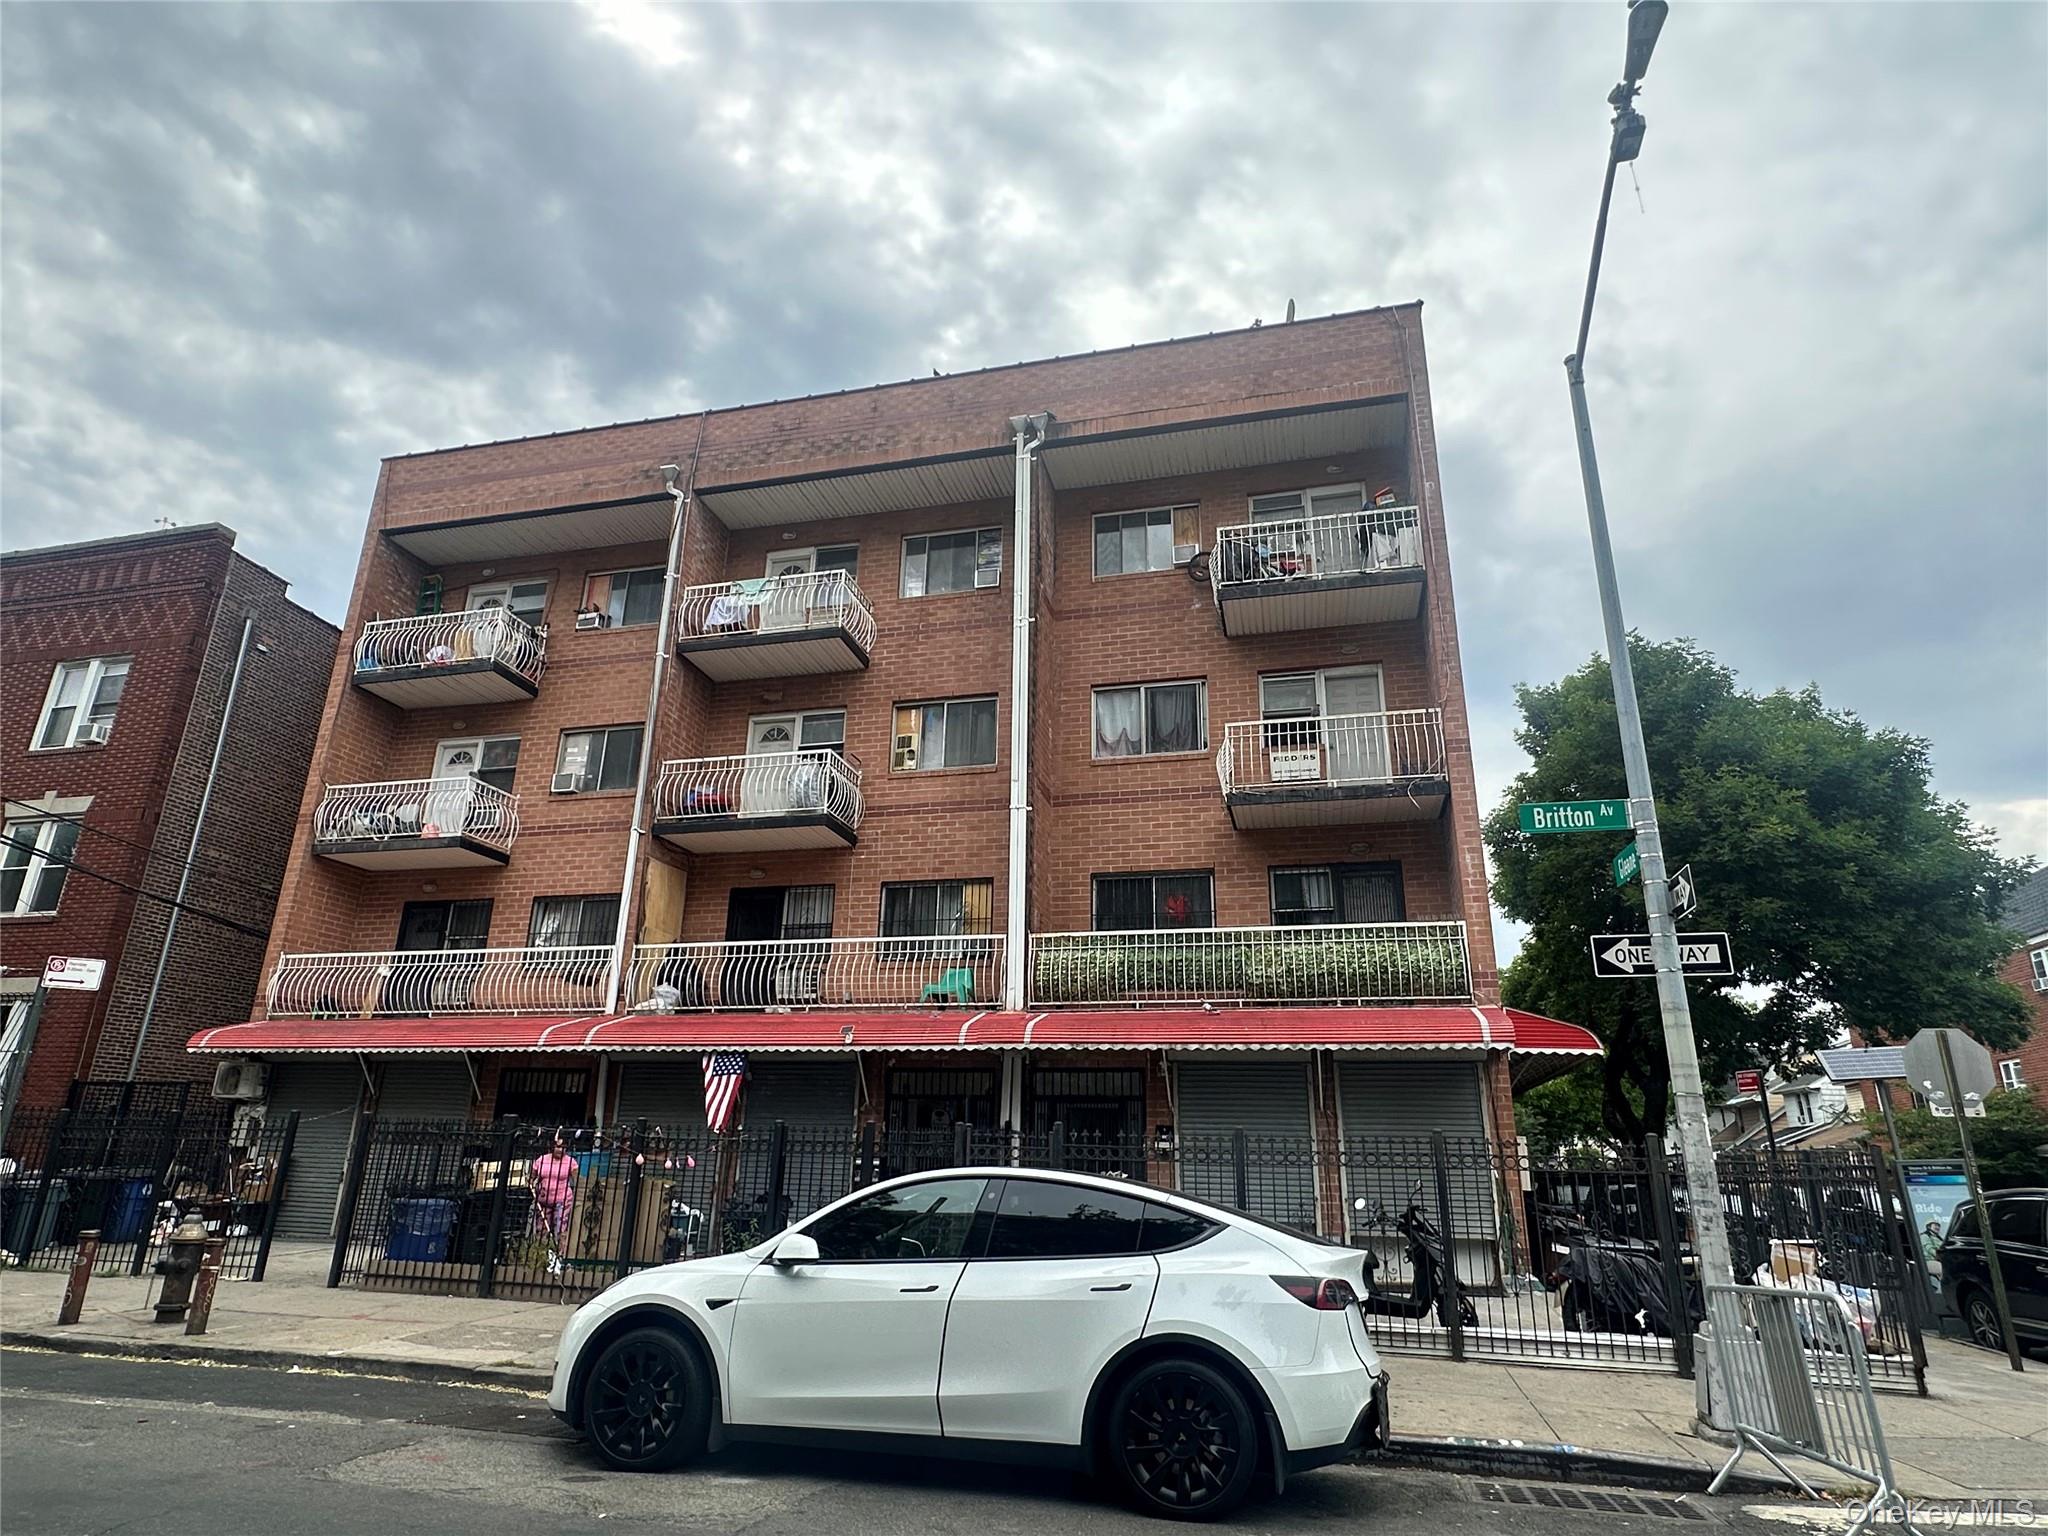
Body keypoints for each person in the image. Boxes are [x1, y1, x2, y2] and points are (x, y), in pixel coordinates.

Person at [531, 1135, 578, 1276]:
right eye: (558, 1146)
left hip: (562, 1200)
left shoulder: (571, 1162)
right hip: (544, 1200)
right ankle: (542, 1257)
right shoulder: (542, 1160)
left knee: (560, 1229)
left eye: (563, 1147)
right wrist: (532, 1185)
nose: (560, 1150)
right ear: (552, 1146)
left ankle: (560, 1258)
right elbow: (532, 1177)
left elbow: (578, 1180)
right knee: (542, 1229)